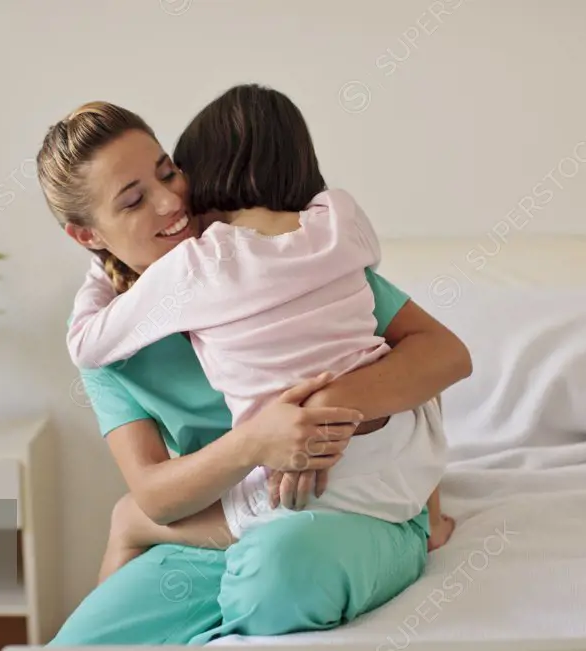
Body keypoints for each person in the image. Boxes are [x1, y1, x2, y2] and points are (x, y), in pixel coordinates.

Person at [36, 89, 472, 645]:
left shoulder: (285, 265)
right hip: (219, 528)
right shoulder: (119, 340)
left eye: (168, 173)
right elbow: (155, 493)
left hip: (357, 515)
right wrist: (257, 443)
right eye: (133, 201)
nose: (170, 202)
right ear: (87, 236)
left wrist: (321, 408)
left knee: (275, 572)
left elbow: (441, 355)